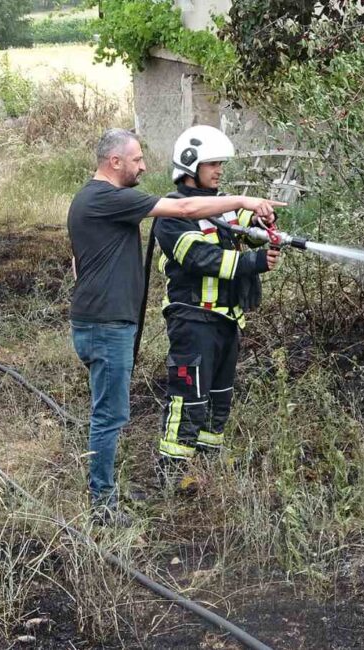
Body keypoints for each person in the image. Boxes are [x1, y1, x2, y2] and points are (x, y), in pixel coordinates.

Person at [67, 128, 283, 526]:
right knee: (109, 416)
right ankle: (103, 505)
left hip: (110, 321)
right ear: (114, 161)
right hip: (113, 324)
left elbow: (79, 261)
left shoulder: (93, 201)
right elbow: (183, 215)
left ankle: (111, 490)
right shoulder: (105, 197)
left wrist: (258, 216)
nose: (144, 166)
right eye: (136, 159)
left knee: (117, 411)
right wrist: (245, 201)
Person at [153, 125, 280, 487]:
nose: (219, 170)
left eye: (220, 163)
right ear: (190, 166)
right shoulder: (172, 215)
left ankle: (207, 466)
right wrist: (254, 263)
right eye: (212, 164)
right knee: (187, 398)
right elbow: (201, 258)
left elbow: (244, 222)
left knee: (220, 399)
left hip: (226, 322)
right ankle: (173, 475)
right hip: (192, 322)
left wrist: (263, 218)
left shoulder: (220, 209)